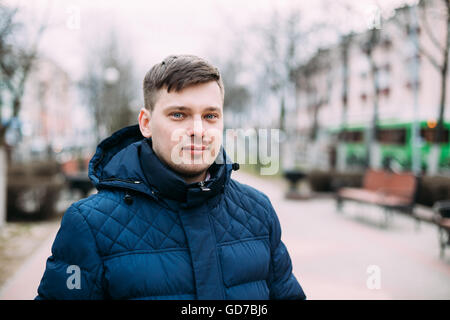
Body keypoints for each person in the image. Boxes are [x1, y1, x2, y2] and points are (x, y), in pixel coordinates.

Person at [35, 54, 306, 300]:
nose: (198, 129)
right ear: (146, 123)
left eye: (210, 115)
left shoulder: (258, 211)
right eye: (179, 114)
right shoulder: (89, 224)